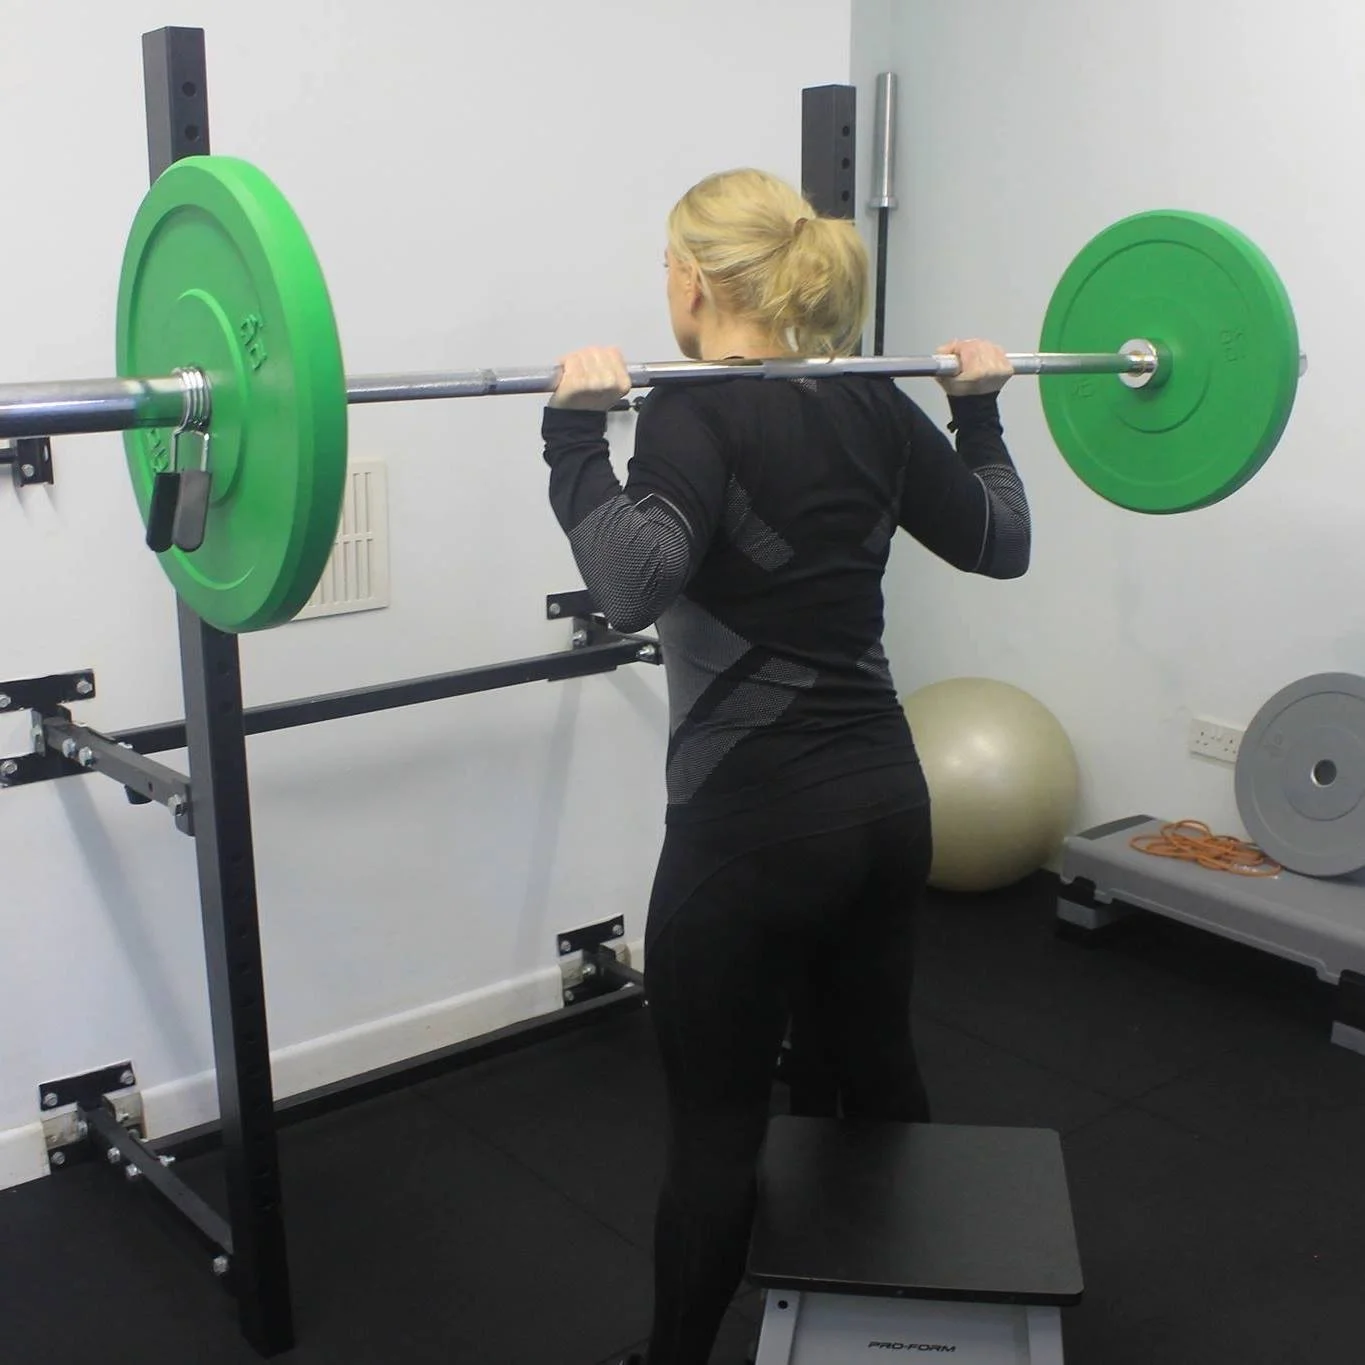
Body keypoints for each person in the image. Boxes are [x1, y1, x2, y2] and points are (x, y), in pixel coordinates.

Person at [539, 167, 1030, 1365]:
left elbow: (631, 582)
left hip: (748, 838)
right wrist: (976, 413)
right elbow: (1001, 541)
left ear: (695, 283)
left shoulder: (694, 408)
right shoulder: (871, 401)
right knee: (875, 1083)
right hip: (885, 810)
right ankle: (908, 1337)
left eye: (666, 266)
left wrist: (571, 436)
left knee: (716, 1134)